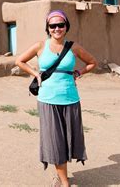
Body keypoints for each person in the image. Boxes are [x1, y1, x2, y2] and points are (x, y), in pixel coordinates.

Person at [15, 10, 97, 187]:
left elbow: (92, 62)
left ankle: (59, 176)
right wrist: (36, 74)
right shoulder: (40, 46)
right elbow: (19, 61)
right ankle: (65, 182)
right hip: (48, 100)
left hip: (70, 99)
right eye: (53, 25)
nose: (57, 28)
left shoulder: (74, 47)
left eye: (61, 25)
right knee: (55, 140)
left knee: (67, 139)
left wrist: (79, 73)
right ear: (48, 28)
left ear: (66, 26)